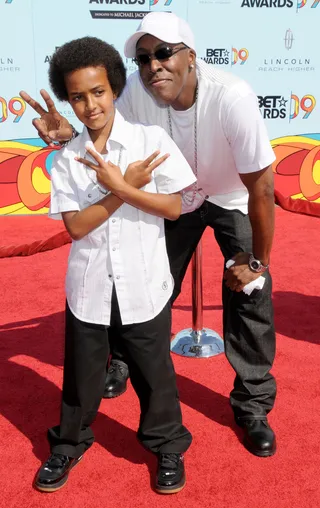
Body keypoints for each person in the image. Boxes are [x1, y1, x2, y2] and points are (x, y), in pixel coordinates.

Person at [21, 12, 277, 458]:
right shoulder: (136, 92)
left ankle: (253, 406)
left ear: (191, 57)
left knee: (251, 293)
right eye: (142, 58)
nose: (153, 66)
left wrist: (257, 261)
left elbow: (262, 185)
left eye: (164, 53)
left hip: (229, 195)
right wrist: (67, 134)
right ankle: (124, 360)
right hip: (171, 197)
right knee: (142, 282)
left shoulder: (232, 96)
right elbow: (98, 129)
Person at [31, 36, 195, 494]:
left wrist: (125, 186)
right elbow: (77, 227)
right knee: (81, 377)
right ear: (68, 100)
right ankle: (68, 442)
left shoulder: (150, 139)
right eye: (78, 96)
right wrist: (121, 190)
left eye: (98, 92)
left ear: (116, 87)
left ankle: (166, 445)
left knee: (154, 372)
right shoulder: (66, 158)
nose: (89, 105)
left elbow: (174, 208)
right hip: (89, 287)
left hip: (145, 282)